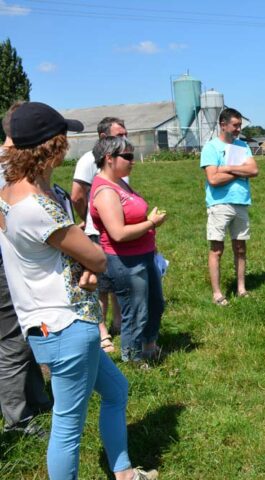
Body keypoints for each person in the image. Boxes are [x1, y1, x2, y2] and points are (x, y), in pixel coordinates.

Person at [0, 101, 157, 479]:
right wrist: (88, 264)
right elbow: (99, 258)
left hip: (56, 320)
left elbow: (53, 254)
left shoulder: (11, 194)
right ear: (51, 146)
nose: (68, 144)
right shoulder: (38, 206)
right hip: (65, 325)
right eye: (63, 137)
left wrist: (82, 266)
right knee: (67, 426)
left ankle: (122, 472)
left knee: (116, 390)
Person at [0, 101, 52, 436]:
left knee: (25, 337)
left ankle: (38, 399)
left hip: (13, 261)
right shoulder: (4, 167)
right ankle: (17, 420)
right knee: (11, 344)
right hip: (4, 264)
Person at [90, 136, 166, 364]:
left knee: (155, 303)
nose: (132, 161)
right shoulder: (105, 191)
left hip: (143, 254)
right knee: (135, 310)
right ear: (109, 158)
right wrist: (152, 223)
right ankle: (132, 359)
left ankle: (149, 346)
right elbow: (118, 233)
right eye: (128, 156)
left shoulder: (119, 182)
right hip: (125, 260)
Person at [71, 117, 128, 353]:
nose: (125, 138)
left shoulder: (120, 159)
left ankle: (118, 323)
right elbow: (76, 195)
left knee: (117, 281)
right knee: (101, 285)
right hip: (100, 233)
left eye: (125, 134)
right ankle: (102, 332)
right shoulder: (88, 160)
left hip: (120, 230)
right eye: (119, 135)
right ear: (104, 137)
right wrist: (89, 218)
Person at [200, 108, 259, 305]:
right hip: (219, 204)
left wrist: (227, 168)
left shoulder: (242, 146)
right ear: (223, 125)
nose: (238, 129)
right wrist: (240, 172)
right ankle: (217, 293)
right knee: (217, 248)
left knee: (240, 248)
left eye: (240, 125)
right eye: (235, 125)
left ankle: (241, 288)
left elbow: (254, 169)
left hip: (241, 202)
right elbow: (213, 179)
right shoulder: (211, 148)